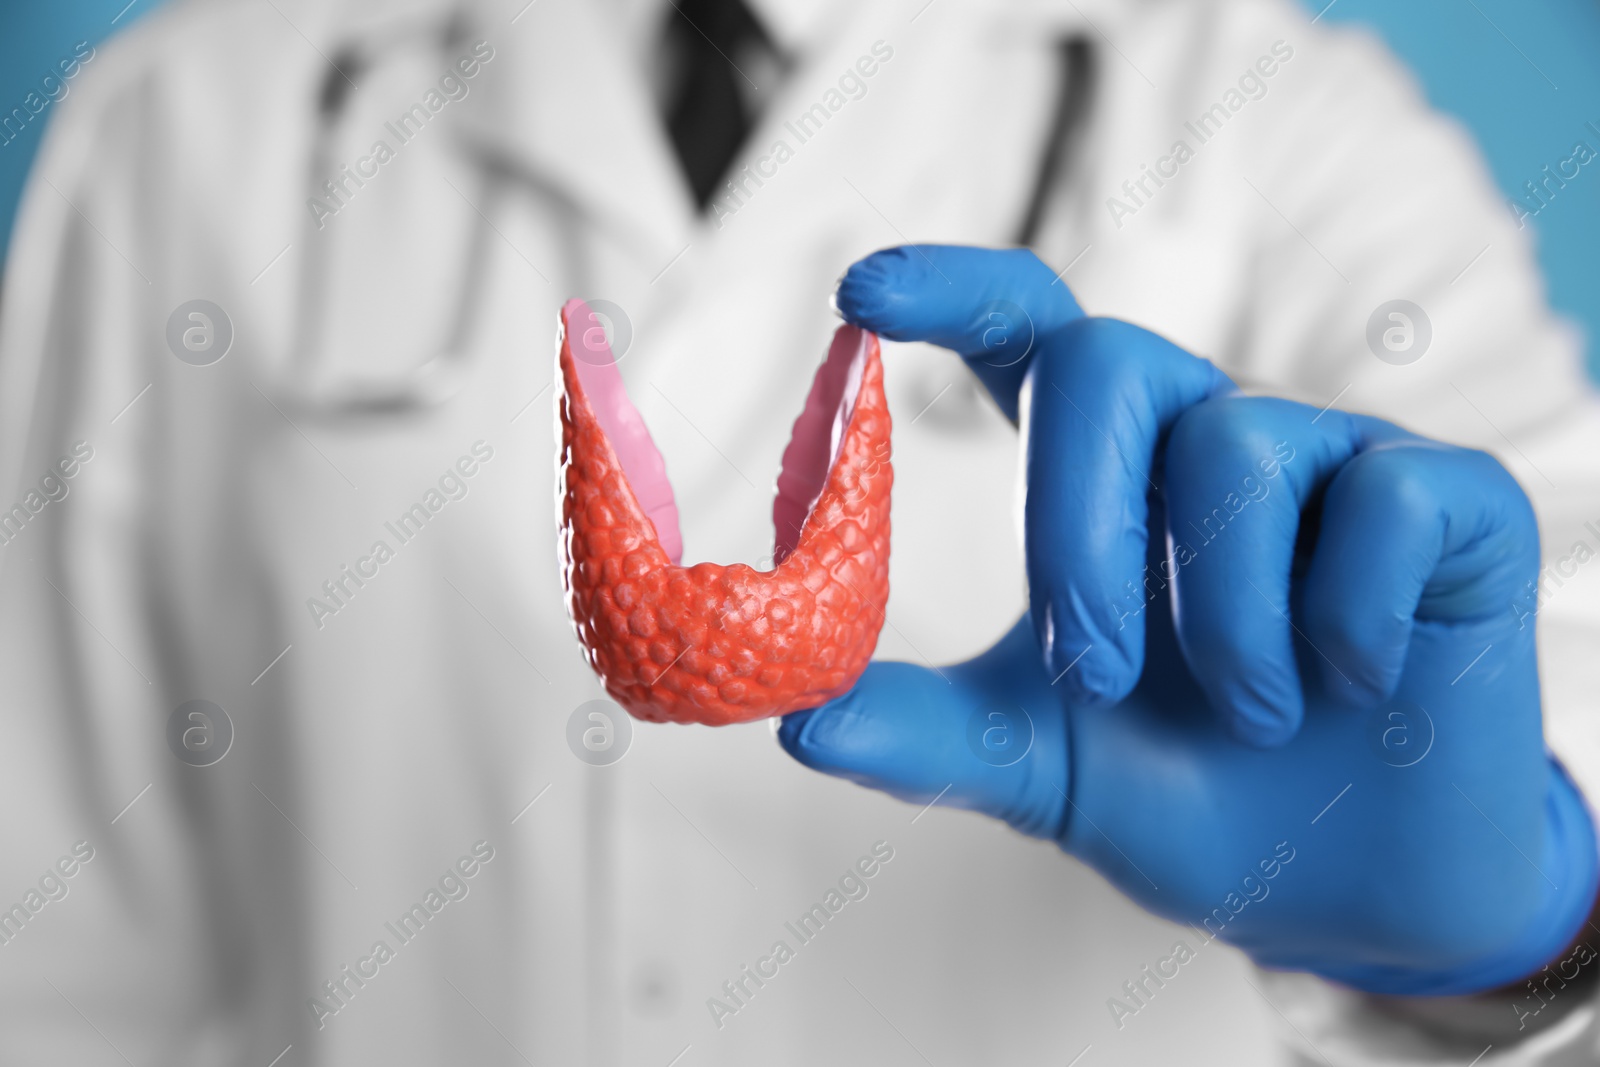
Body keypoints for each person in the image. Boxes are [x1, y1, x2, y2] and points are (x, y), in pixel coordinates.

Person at [0, 1, 1595, 1065]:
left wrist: (1526, 912)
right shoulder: (189, 122)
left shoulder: (1274, 115)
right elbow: (56, 937)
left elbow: (1567, 618)